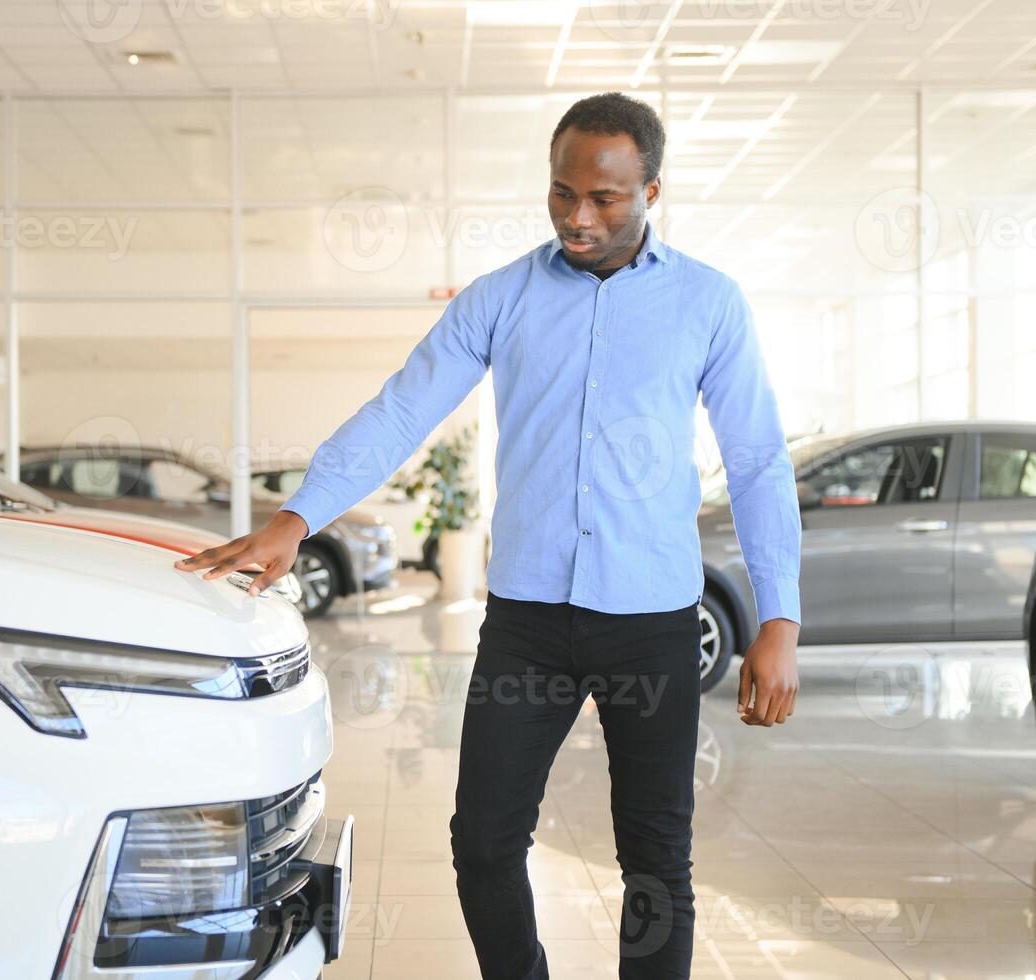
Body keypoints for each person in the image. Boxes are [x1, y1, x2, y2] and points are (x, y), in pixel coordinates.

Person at [175, 91, 802, 980]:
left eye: (605, 199)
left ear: (651, 192)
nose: (578, 217)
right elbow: (400, 411)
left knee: (657, 862)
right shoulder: (501, 298)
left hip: (651, 621)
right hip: (528, 626)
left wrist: (778, 617)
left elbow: (757, 461)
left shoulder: (708, 303)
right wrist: (296, 516)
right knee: (482, 842)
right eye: (561, 194)